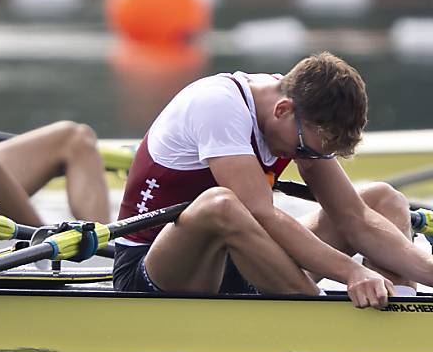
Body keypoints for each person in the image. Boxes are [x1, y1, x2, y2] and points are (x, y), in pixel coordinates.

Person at [112, 52, 433, 309]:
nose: (305, 157)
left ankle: (400, 309)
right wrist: (352, 272)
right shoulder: (218, 105)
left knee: (381, 199)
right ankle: (314, 315)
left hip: (245, 260)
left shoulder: (302, 115)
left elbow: (353, 218)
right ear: (282, 110)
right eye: (303, 150)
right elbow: (260, 213)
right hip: (154, 268)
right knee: (221, 204)